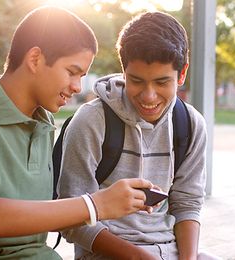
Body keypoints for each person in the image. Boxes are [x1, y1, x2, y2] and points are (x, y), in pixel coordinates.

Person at [0, 6, 154, 260]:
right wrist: (95, 204)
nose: (77, 87)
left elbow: (39, 214)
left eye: (82, 76)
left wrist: (117, 210)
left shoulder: (43, 123)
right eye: (72, 72)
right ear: (35, 59)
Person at [58, 11, 218, 260]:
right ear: (124, 72)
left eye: (162, 82)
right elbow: (72, 219)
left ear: (182, 73)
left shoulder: (191, 124)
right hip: (107, 252)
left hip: (171, 249)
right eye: (137, 81)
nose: (149, 96)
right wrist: (139, 258)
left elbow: (188, 204)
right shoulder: (91, 121)